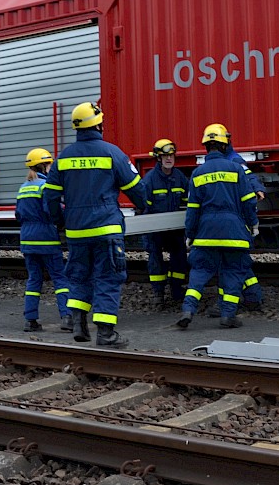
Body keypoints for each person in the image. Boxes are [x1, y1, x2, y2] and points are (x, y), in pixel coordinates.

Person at [43, 102, 146, 348]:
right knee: (108, 278)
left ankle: (79, 324)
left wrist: (60, 221)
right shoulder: (112, 153)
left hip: (77, 231)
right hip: (106, 229)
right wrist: (142, 205)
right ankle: (106, 333)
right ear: (99, 124)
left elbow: (50, 197)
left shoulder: (63, 158)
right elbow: (136, 189)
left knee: (79, 277)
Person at [176, 123, 259, 330]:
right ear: (224, 146)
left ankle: (187, 310)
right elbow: (249, 201)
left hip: (206, 233)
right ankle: (228, 316)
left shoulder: (198, 173)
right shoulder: (236, 169)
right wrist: (253, 224)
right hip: (234, 232)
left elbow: (193, 209)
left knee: (199, 272)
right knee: (233, 272)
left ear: (206, 147)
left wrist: (190, 233)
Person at [204, 126, 265, 316]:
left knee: (230, 264)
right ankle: (252, 298)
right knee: (238, 263)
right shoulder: (230, 160)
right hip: (236, 222)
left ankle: (228, 304)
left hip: (235, 222)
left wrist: (256, 188)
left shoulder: (233, 161)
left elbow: (248, 176)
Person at [16, 148, 73, 333]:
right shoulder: (45, 187)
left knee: (34, 280)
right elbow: (52, 211)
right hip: (46, 238)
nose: (51, 167)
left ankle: (30, 320)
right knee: (59, 278)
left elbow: (18, 214)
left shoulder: (23, 188)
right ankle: (67, 317)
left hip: (27, 239)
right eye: (50, 164)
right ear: (43, 165)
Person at [137, 138, 190, 308]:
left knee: (180, 256)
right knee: (155, 258)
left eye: (171, 155)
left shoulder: (179, 178)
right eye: (165, 156)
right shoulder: (149, 180)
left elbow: (187, 202)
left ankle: (176, 290)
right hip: (155, 230)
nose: (169, 159)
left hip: (175, 229)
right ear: (158, 158)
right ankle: (158, 293)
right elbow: (144, 208)